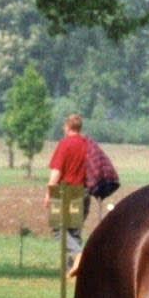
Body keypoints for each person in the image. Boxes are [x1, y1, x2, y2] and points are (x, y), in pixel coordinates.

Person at [44, 113, 88, 268]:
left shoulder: (65, 144)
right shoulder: (86, 144)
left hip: (65, 191)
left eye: (64, 126)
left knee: (58, 229)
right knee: (74, 232)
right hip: (82, 191)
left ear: (68, 127)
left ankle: (78, 255)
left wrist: (49, 191)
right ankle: (73, 270)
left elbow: (57, 171)